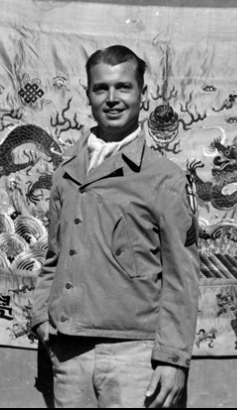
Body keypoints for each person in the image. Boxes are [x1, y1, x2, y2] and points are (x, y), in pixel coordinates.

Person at [31, 45, 200, 408]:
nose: (112, 98)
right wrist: (40, 316)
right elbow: (54, 256)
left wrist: (172, 359)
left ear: (143, 95)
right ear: (88, 94)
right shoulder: (66, 174)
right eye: (101, 88)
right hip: (69, 351)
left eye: (123, 87)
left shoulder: (164, 178)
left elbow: (182, 276)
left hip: (135, 356)